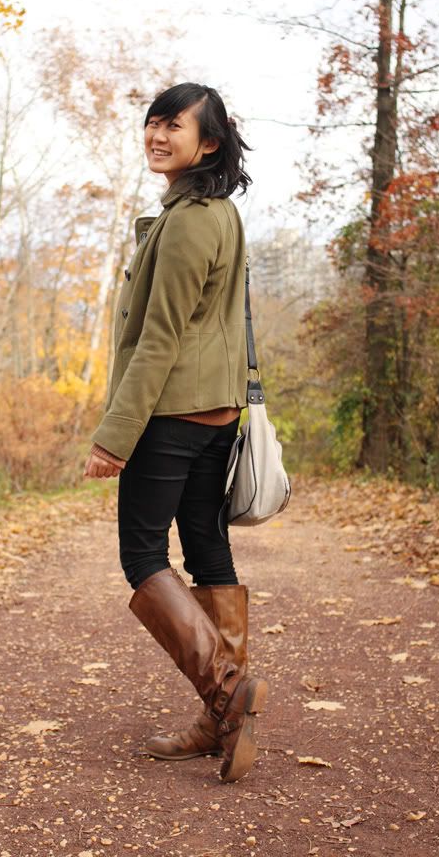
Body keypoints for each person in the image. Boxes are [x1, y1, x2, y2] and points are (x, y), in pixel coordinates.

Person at [83, 82, 267, 783]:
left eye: (174, 127)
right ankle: (223, 719)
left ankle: (226, 692)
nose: (158, 136)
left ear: (208, 142)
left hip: (172, 411)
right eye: (153, 123)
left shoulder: (191, 221)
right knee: (206, 548)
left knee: (141, 556)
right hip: (215, 408)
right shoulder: (218, 211)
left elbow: (159, 337)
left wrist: (115, 435)